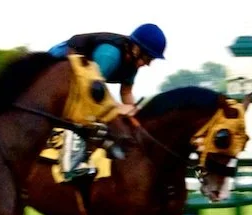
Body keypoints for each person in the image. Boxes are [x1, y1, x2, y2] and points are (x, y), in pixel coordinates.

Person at [47, 23, 167, 181]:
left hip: (84, 79)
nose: (148, 63)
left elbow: (126, 92)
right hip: (55, 67)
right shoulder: (110, 55)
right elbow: (91, 90)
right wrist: (117, 108)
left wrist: (136, 115)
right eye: (148, 57)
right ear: (136, 49)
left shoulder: (132, 63)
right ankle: (71, 165)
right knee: (86, 114)